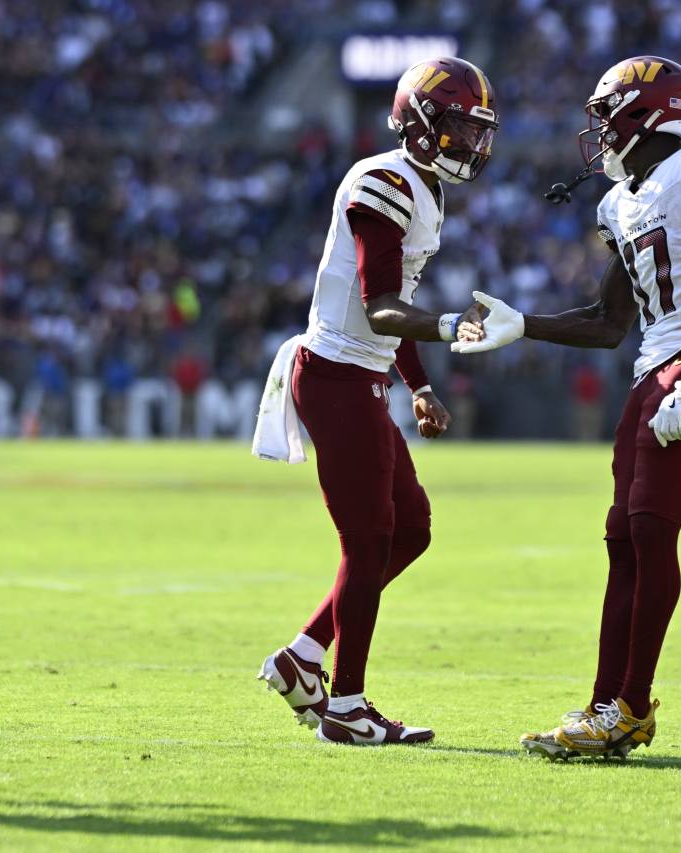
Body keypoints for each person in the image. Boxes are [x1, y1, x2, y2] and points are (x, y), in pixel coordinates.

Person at [454, 56, 681, 758]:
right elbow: (606, 318)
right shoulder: (622, 201)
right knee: (623, 538)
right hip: (653, 366)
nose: (596, 129)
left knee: (651, 530)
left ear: (643, 112)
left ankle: (629, 705)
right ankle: (605, 703)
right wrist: (525, 324)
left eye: (605, 113)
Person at [256, 57, 497, 747]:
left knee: (410, 528)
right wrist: (449, 330)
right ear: (420, 125)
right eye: (456, 126)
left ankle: (303, 657)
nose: (470, 143)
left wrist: (419, 385)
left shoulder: (422, 186)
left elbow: (397, 307)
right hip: (335, 374)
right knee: (366, 544)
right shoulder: (383, 181)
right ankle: (347, 705)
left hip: (362, 374)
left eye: (476, 130)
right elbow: (381, 305)